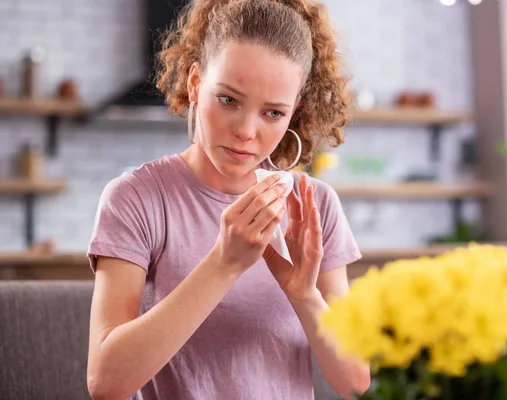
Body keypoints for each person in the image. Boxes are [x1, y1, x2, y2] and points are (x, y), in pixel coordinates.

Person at [86, 0, 370, 399]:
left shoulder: (315, 205)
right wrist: (224, 263)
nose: (246, 131)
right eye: (229, 100)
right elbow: (105, 382)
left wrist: (304, 295)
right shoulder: (136, 198)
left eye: (272, 113)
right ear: (196, 84)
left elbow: (355, 381)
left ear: (294, 112)